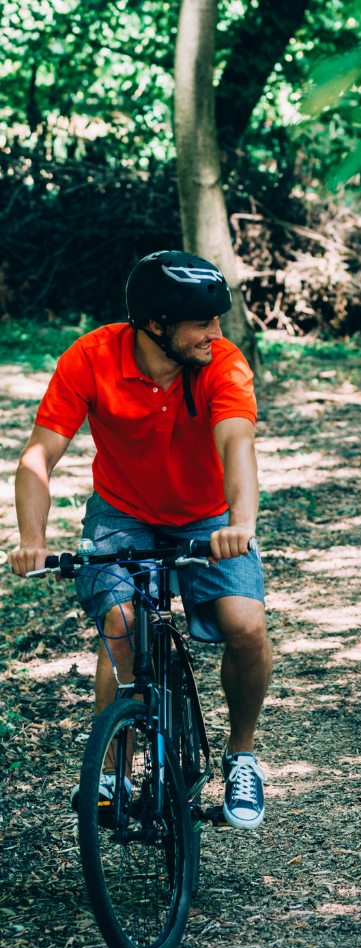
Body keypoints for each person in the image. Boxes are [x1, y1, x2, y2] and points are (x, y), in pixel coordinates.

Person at [11, 251, 273, 830]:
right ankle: (111, 770)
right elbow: (38, 455)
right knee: (122, 627)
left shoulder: (221, 364)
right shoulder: (92, 357)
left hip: (208, 516)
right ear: (156, 325)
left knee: (246, 627)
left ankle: (243, 754)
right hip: (122, 510)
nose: (217, 332)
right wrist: (31, 538)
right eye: (202, 322)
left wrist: (242, 524)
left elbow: (237, 446)